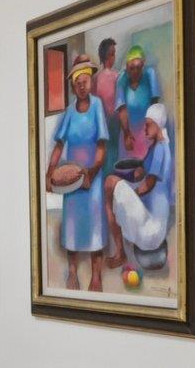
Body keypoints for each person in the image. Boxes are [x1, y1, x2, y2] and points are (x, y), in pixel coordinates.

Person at [46, 57, 111, 291]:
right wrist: (50, 172)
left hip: (92, 175)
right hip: (71, 178)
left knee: (95, 225)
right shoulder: (69, 113)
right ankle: (72, 272)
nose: (81, 86)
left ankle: (96, 275)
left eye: (85, 81)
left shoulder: (97, 107)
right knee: (72, 225)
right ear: (73, 86)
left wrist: (92, 173)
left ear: (90, 81)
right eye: (77, 83)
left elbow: (102, 145)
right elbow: (59, 145)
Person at [107, 103, 175, 268]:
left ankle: (120, 252)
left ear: (157, 125)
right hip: (155, 230)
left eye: (148, 124)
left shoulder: (160, 150)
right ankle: (121, 249)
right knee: (118, 190)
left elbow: (148, 185)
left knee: (109, 183)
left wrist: (128, 195)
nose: (144, 128)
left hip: (150, 231)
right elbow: (143, 170)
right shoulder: (160, 145)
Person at [116, 45, 163, 159]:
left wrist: (154, 131)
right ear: (127, 67)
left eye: (139, 67)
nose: (135, 71)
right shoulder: (122, 79)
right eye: (132, 68)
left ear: (143, 65)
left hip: (146, 131)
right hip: (128, 131)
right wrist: (127, 134)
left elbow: (155, 106)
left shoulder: (149, 74)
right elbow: (121, 108)